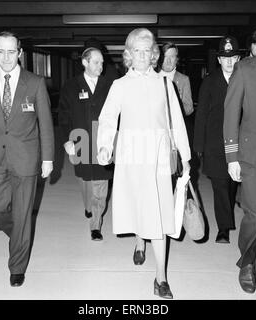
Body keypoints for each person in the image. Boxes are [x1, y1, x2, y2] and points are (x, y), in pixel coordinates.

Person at [97, 28, 191, 299]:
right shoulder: (120, 85)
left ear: (153, 55)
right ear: (128, 54)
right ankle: (140, 240)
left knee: (159, 218)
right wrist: (103, 145)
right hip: (132, 158)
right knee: (140, 206)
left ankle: (161, 278)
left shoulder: (165, 84)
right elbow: (107, 118)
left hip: (160, 160)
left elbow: (178, 124)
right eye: (135, 50)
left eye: (146, 51)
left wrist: (184, 157)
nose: (141, 55)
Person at [0, 31, 54, 287]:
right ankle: (15, 233)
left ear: (19, 53)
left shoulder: (35, 82)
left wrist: (48, 158)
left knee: (23, 212)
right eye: (1, 51)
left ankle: (17, 266)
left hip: (26, 159)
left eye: (12, 51)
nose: (6, 57)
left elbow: (46, 125)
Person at [223, 13, 256, 297]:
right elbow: (231, 113)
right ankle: (247, 261)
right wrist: (232, 157)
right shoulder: (246, 69)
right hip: (253, 155)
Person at [58, 47, 115, 241]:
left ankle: (95, 226)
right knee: (84, 181)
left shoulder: (110, 85)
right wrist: (67, 140)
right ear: (85, 62)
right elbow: (64, 115)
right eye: (96, 62)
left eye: (102, 62)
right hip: (79, 139)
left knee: (101, 185)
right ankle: (88, 206)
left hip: (103, 143)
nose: (101, 66)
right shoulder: (71, 86)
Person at [193, 36, 240, 244]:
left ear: (238, 58)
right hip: (214, 144)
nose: (228, 61)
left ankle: (225, 217)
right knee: (220, 185)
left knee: (231, 186)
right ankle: (223, 229)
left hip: (239, 144)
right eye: (224, 57)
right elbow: (201, 114)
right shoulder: (210, 81)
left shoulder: (244, 78)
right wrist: (198, 146)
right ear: (219, 59)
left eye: (232, 57)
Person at [158, 42, 194, 117]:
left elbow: (189, 109)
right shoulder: (152, 77)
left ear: (176, 59)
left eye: (172, 57)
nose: (168, 61)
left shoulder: (184, 80)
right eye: (165, 56)